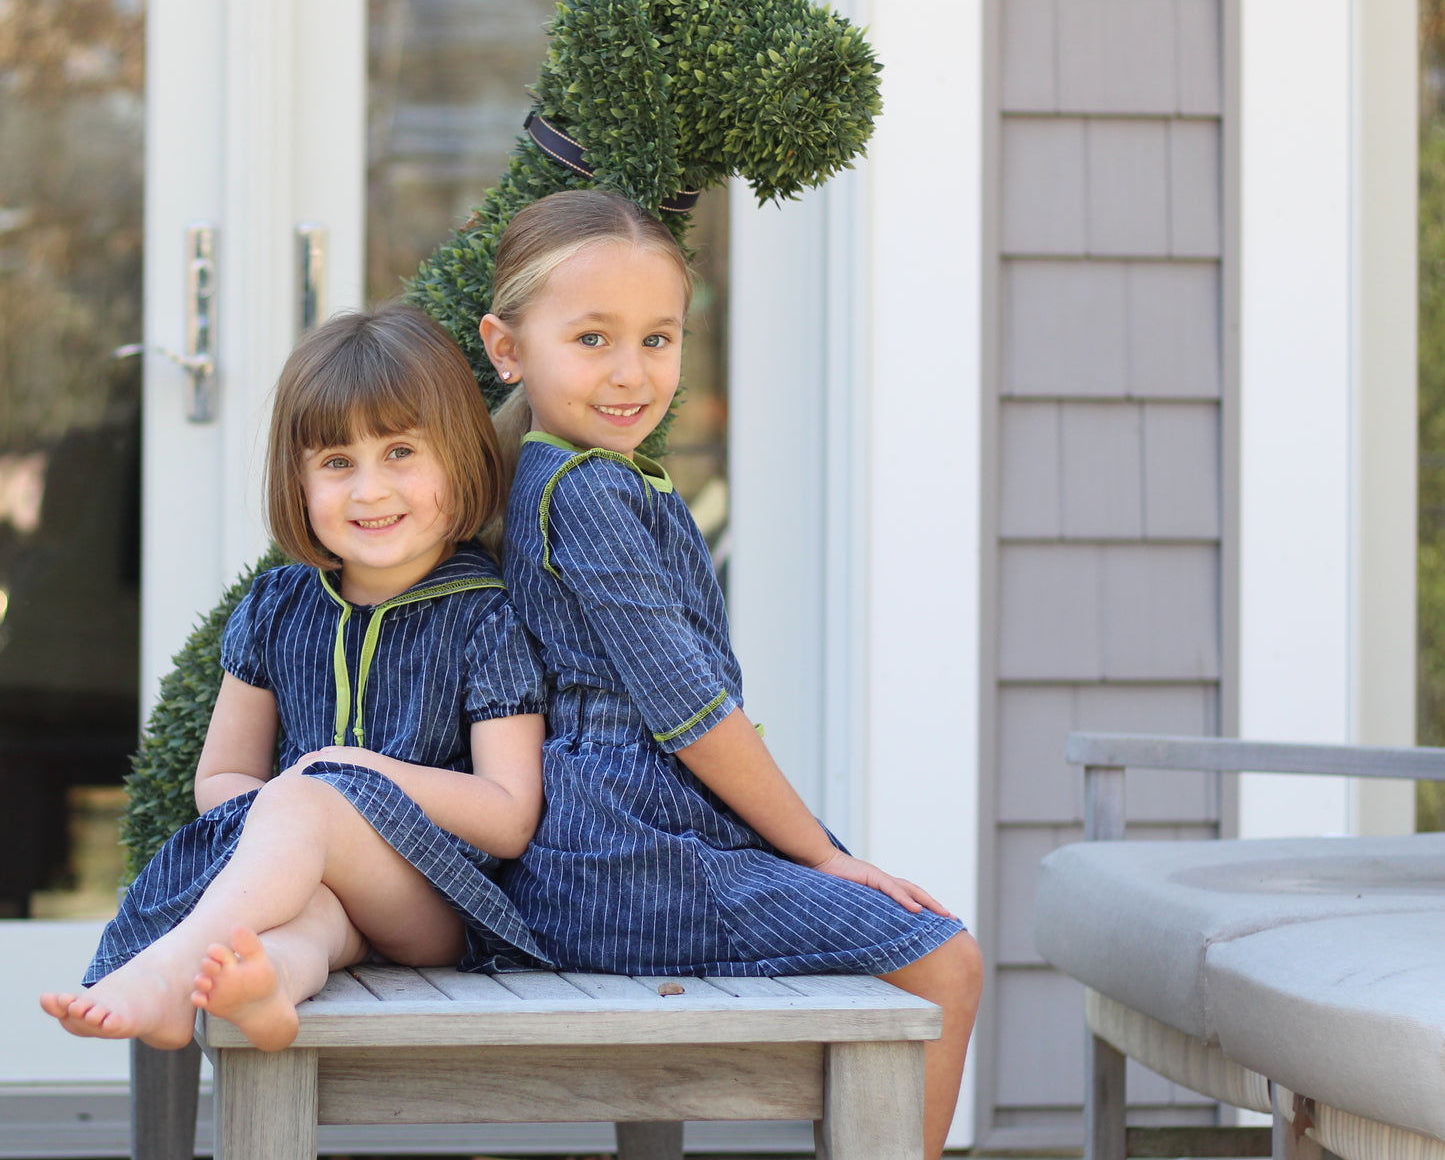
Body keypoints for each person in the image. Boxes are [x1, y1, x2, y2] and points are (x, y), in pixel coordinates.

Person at [478, 189, 985, 1159]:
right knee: (940, 957)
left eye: (657, 339)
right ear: (508, 348)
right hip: (623, 857)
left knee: (913, 946)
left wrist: (818, 854)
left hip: (630, 844)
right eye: (591, 338)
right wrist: (826, 856)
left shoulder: (582, 474)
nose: (631, 373)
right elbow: (694, 713)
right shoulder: (582, 492)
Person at [40, 304, 549, 1053]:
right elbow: (223, 774)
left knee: (310, 802)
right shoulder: (277, 607)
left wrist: (343, 781)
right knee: (300, 926)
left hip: (436, 904)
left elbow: (509, 815)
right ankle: (267, 989)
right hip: (322, 891)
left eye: (401, 452)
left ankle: (165, 974)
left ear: (462, 456)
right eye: (338, 463)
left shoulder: (484, 614)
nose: (370, 491)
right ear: (298, 480)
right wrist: (284, 824)